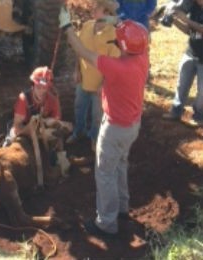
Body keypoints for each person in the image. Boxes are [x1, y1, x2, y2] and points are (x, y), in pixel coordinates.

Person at [59, 8, 149, 237]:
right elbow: (135, 29)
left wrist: (67, 26)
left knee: (105, 173)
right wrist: (116, 20)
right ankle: (121, 209)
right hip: (132, 126)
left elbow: (81, 50)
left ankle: (106, 223)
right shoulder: (142, 57)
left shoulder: (116, 67)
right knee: (120, 165)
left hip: (114, 129)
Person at [65, 0, 121, 153]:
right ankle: (78, 132)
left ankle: (95, 139)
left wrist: (104, 84)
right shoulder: (87, 25)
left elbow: (114, 65)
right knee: (79, 107)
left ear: (107, 13)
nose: (93, 9)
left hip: (100, 85)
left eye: (98, 8)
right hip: (83, 79)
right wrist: (77, 70)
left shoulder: (113, 34)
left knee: (97, 116)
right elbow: (79, 50)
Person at [162, 0, 203, 127]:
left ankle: (199, 115)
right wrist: (173, 20)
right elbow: (190, 31)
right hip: (191, 52)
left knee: (202, 92)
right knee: (182, 85)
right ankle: (176, 111)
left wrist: (186, 19)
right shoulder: (194, 6)